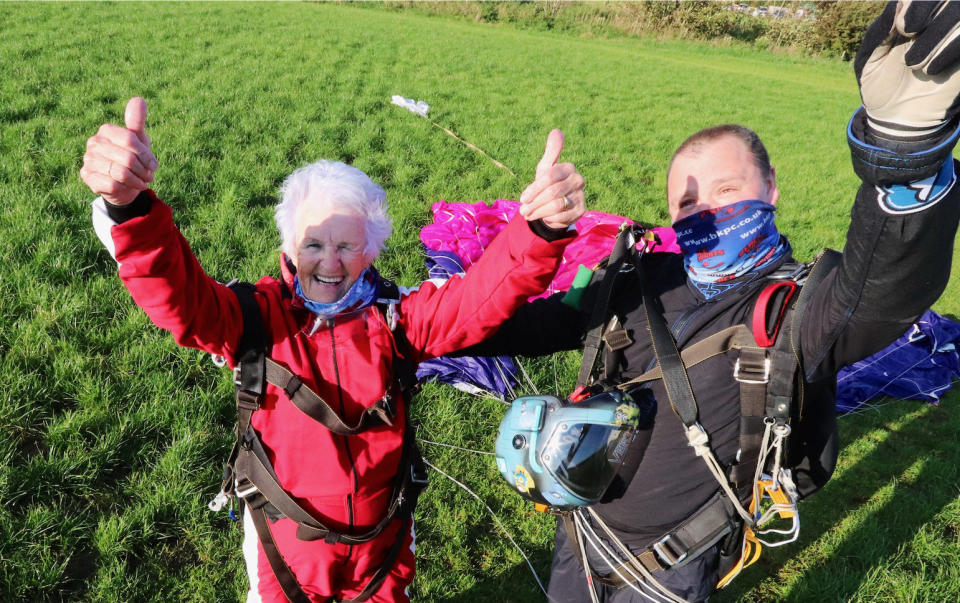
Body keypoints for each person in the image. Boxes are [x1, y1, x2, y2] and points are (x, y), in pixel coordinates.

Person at [464, 2, 960, 601]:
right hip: (581, 534)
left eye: (728, 190)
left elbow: (883, 286)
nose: (708, 215)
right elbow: (507, 326)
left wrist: (903, 161)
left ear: (771, 186)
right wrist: (417, 311)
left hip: (671, 568)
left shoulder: (799, 310)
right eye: (689, 206)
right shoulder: (637, 280)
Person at [79, 96, 586, 602]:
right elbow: (180, 297)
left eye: (346, 247)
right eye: (314, 245)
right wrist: (131, 209)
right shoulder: (253, 318)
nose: (330, 263)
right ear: (288, 248)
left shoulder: (399, 318)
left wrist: (539, 230)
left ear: (370, 251)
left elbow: (477, 300)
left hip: (382, 546)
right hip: (286, 548)